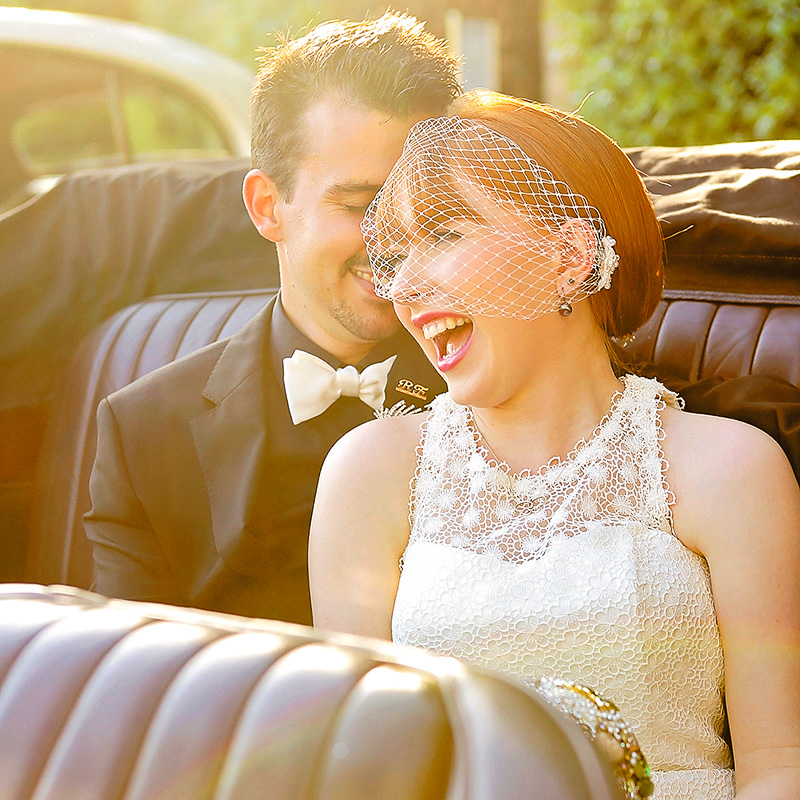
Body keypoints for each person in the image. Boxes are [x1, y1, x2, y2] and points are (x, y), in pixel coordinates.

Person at [309, 91, 800, 799]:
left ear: (570, 256)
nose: (406, 286)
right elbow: (357, 772)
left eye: (444, 234)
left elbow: (781, 768)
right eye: (398, 251)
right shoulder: (369, 473)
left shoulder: (729, 470)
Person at [84, 12, 459, 623]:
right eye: (362, 205)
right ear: (267, 207)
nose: (400, 239)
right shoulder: (145, 434)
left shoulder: (506, 378)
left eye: (428, 203)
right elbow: (139, 685)